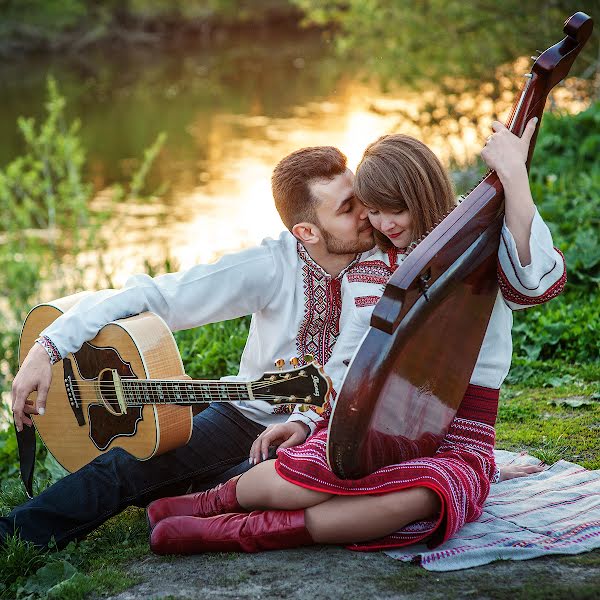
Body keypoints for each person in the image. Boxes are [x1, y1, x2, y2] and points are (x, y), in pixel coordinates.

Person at [147, 118, 566, 555]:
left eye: (395, 209)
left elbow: (534, 283)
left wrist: (514, 176)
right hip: (382, 416)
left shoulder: (478, 240)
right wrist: (307, 420)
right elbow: (349, 357)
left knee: (425, 494)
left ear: (420, 193)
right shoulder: (370, 268)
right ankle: (208, 502)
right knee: (315, 475)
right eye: (373, 211)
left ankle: (243, 531)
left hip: (463, 427)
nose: (384, 223)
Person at [2, 145, 378, 549]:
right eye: (346, 208)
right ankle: (12, 536)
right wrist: (49, 348)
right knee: (129, 467)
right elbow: (155, 296)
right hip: (246, 415)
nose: (365, 212)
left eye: (360, 197)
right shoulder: (272, 265)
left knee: (247, 485)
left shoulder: (387, 256)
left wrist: (308, 422)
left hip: (327, 432)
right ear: (306, 232)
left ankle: (193, 497)